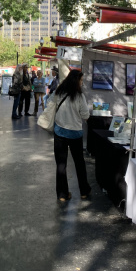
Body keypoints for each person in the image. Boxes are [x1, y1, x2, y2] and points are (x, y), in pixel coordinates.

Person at [51, 69, 91, 202]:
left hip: (60, 132)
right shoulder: (80, 97)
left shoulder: (59, 92)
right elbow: (85, 115)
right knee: (79, 163)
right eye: (81, 80)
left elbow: (50, 105)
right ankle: (84, 191)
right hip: (75, 134)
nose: (82, 83)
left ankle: (62, 194)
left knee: (61, 164)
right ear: (76, 81)